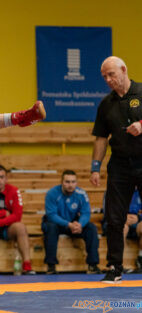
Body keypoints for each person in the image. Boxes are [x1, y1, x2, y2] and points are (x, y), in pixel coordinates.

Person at [90, 56, 142, 283]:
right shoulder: (106, 104)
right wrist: (95, 168)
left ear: (123, 70)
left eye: (111, 74)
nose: (108, 80)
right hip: (120, 165)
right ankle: (115, 268)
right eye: (104, 77)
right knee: (113, 218)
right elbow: (101, 139)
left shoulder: (141, 92)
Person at [0, 165, 35, 275]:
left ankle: (27, 265)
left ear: (6, 179)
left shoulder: (14, 191)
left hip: (7, 228)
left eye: (1, 177)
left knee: (20, 227)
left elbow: (17, 216)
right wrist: (3, 213)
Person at [42, 170, 101, 275]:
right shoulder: (52, 193)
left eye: (73, 182)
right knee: (50, 227)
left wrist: (80, 224)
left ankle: (93, 265)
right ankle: (51, 266)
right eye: (67, 182)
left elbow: (86, 213)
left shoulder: (81, 194)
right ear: (62, 182)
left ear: (76, 183)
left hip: (74, 224)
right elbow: (51, 215)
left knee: (91, 228)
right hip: (58, 224)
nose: (70, 185)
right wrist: (68, 224)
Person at [102, 189, 142, 273]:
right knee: (122, 227)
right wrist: (123, 217)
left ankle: (140, 258)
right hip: (116, 221)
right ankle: (117, 264)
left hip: (136, 222)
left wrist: (138, 217)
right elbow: (108, 212)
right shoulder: (115, 189)